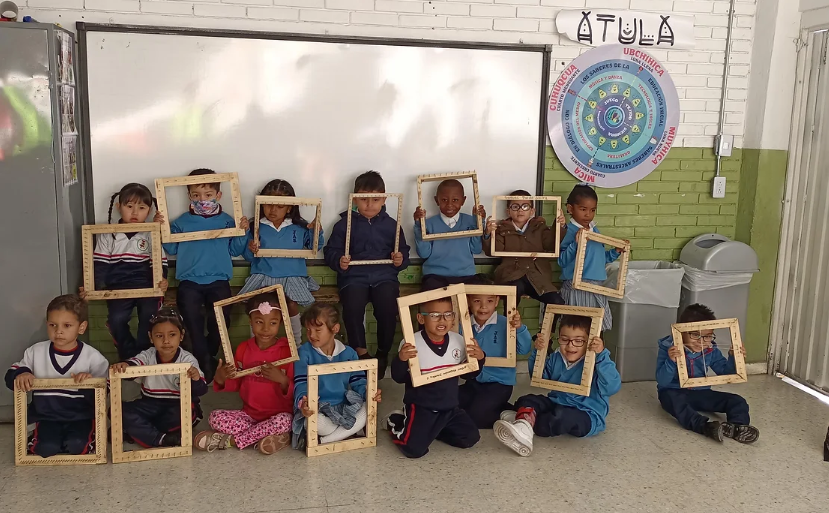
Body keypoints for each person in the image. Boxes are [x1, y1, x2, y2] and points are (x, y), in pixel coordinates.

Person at [156, 168, 249, 383]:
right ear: (189, 196)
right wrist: (161, 228)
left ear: (218, 195)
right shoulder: (181, 223)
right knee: (192, 323)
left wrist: (242, 231)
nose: (202, 199)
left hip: (219, 280)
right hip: (189, 281)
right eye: (196, 195)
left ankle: (208, 355)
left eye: (208, 195)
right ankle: (204, 363)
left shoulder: (228, 221)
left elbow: (235, 250)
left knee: (221, 323)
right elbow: (171, 249)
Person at [494, 315, 621, 457]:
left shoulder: (596, 361)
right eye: (564, 339)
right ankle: (524, 422)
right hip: (557, 402)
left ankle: (526, 424)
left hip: (586, 414)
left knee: (562, 417)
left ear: (590, 342)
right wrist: (539, 352)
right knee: (527, 399)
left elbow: (612, 387)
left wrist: (602, 356)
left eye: (578, 341)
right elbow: (540, 377)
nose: (570, 345)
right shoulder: (556, 357)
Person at [323, 171, 409, 378]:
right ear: (353, 198)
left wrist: (400, 260)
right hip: (354, 277)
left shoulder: (391, 225)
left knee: (388, 309)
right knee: (352, 307)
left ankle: (382, 353)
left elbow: (403, 251)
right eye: (363, 199)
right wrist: (339, 261)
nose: (369, 205)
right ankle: (360, 352)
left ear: (384, 199)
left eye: (375, 199)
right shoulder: (344, 224)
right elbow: (330, 251)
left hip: (384, 276)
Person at [5, 295, 109, 458]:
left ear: (81, 328)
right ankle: (45, 439)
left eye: (67, 325)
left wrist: (90, 382)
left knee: (77, 447)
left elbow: (105, 389)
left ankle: (84, 438)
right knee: (45, 449)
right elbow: (11, 376)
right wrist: (22, 373)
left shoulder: (93, 357)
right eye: (53, 325)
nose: (58, 331)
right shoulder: (35, 352)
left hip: (80, 417)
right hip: (46, 417)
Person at [195, 292, 295, 455]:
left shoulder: (287, 351)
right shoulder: (243, 349)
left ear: (281, 323)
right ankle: (274, 437)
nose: (265, 329)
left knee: (284, 421)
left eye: (273, 323)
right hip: (250, 416)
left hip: (279, 414)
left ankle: (230, 440)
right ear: (250, 322)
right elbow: (236, 383)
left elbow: (296, 391)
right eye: (258, 322)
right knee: (214, 418)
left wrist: (282, 380)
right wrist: (221, 378)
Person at [388, 296, 486, 458]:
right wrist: (401, 360)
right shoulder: (412, 343)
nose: (442, 320)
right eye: (434, 315)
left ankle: (433, 431)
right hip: (422, 407)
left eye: (448, 314)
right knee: (413, 450)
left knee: (470, 438)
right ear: (421, 318)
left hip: (449, 407)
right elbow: (398, 377)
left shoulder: (458, 341)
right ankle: (397, 421)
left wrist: (480, 359)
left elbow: (469, 375)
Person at [81, 183, 168, 360]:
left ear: (150, 211)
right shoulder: (108, 234)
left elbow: (160, 263)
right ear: (119, 207)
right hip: (119, 288)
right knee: (116, 320)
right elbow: (100, 264)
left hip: (147, 286)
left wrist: (162, 280)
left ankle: (144, 357)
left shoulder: (151, 233)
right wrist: (92, 288)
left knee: (150, 319)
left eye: (142, 208)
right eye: (130, 207)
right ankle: (129, 355)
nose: (135, 213)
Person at [656, 303, 759, 443]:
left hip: (701, 392)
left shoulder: (710, 350)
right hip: (673, 391)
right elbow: (662, 381)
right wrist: (671, 360)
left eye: (708, 336)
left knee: (737, 401)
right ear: (681, 331)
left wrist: (735, 358)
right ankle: (705, 427)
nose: (702, 342)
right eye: (695, 335)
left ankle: (738, 427)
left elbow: (725, 372)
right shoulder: (669, 348)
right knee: (675, 402)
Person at [111, 307, 207, 448]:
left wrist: (195, 378)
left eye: (172, 335)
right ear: (151, 337)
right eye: (159, 336)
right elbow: (133, 366)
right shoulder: (148, 355)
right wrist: (125, 366)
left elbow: (202, 390)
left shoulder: (188, 359)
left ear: (181, 336)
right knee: (117, 410)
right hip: (150, 404)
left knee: (186, 413)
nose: (166, 341)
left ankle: (140, 431)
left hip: (177, 405)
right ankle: (160, 439)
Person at [241, 179, 324, 340]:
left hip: (292, 276)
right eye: (269, 204)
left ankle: (296, 342)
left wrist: (317, 232)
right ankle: (255, 343)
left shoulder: (299, 227)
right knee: (260, 306)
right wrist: (251, 248)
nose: (273, 210)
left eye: (279, 206)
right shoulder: (256, 226)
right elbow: (249, 256)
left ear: (289, 208)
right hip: (263, 276)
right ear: (261, 204)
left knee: (291, 304)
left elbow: (315, 247)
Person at [292, 304, 382, 449]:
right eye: (308, 330)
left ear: (334, 329)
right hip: (318, 407)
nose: (312, 335)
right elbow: (301, 383)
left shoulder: (349, 353)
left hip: (343, 406)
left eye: (318, 330)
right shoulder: (304, 352)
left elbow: (358, 381)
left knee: (369, 408)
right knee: (313, 421)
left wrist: (370, 392)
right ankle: (345, 432)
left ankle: (325, 441)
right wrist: (304, 403)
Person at [459, 280, 533, 428]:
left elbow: (524, 349)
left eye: (490, 300)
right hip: (474, 382)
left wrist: (519, 328)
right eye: (477, 300)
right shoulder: (464, 326)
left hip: (499, 383)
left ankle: (509, 412)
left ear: (497, 301)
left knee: (475, 417)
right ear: (468, 301)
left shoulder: (506, 323)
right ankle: (495, 407)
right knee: (450, 403)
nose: (483, 306)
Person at [558, 184, 627, 332]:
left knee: (596, 331)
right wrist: (576, 243)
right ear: (570, 209)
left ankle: (596, 356)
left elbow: (601, 259)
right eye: (583, 209)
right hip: (577, 288)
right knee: (578, 331)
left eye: (593, 210)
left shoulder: (595, 230)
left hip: (597, 287)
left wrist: (616, 251)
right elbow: (561, 261)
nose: (588, 214)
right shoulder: (567, 231)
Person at [483, 189, 565, 307]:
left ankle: (550, 326)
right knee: (513, 293)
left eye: (525, 206)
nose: (520, 210)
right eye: (515, 206)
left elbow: (551, 245)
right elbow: (493, 251)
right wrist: (488, 233)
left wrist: (559, 226)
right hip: (512, 276)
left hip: (537, 277)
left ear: (532, 211)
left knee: (557, 302)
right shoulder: (501, 229)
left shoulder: (540, 227)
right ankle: (510, 325)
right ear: (508, 211)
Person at [413, 179, 486, 291]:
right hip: (435, 276)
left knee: (478, 293)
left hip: (466, 276)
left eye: (455, 200)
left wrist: (479, 224)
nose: (449, 205)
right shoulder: (428, 224)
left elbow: (476, 249)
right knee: (431, 294)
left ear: (463, 200)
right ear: (436, 200)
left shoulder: (471, 221)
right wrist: (419, 226)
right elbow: (423, 253)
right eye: (444, 200)